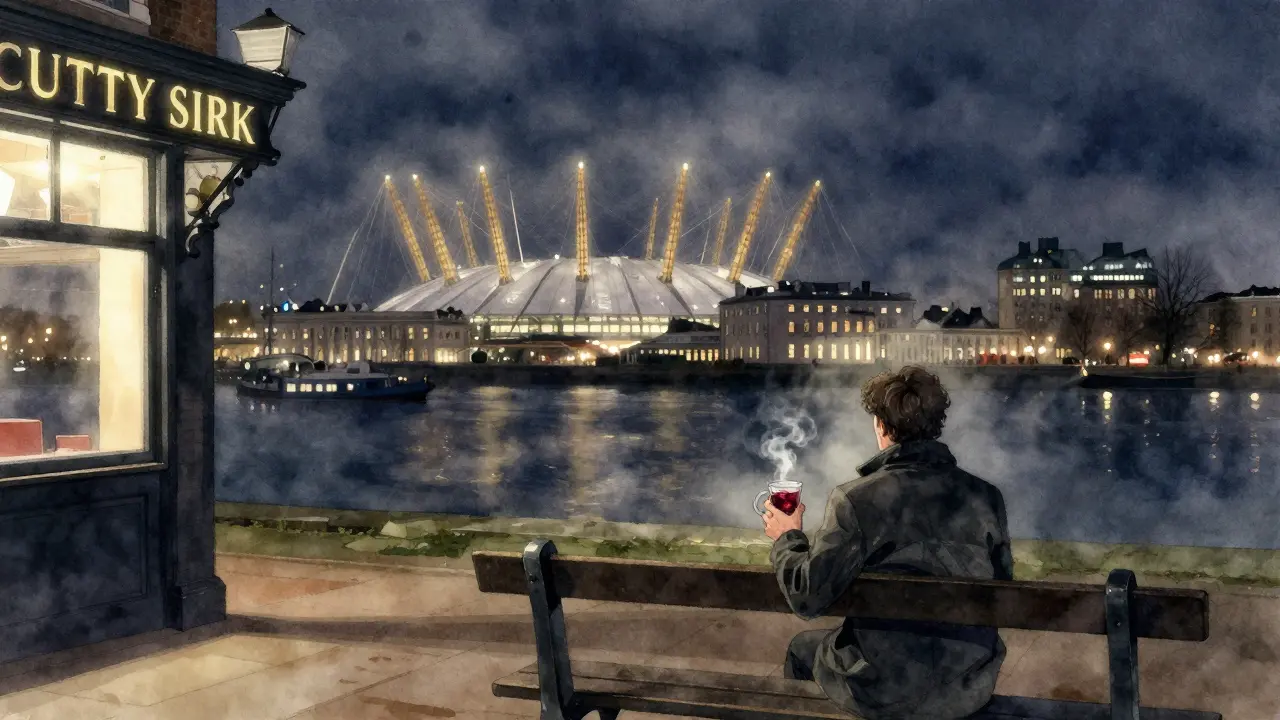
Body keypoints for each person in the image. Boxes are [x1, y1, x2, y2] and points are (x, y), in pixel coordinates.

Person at [761, 365, 1013, 719]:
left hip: (884, 690)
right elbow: (1002, 589)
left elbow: (807, 597)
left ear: (881, 425)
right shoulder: (986, 496)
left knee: (803, 648)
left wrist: (788, 536)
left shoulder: (855, 499)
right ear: (936, 424)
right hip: (967, 685)